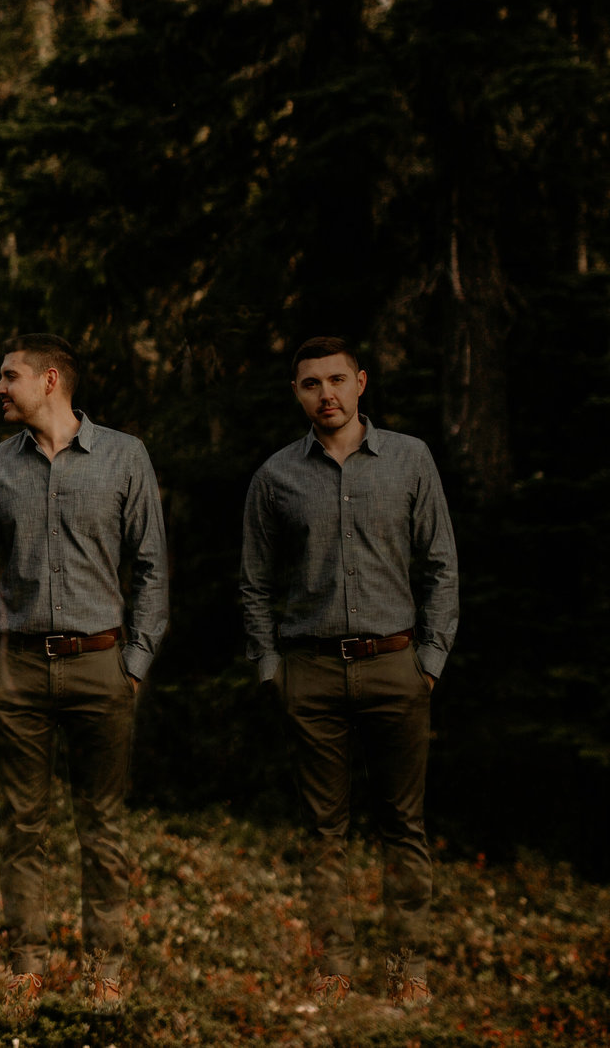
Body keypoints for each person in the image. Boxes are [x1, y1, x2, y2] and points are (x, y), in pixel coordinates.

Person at [240, 335, 459, 1008]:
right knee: (324, 829)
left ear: (361, 382)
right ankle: (332, 964)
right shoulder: (276, 476)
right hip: (311, 673)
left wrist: (429, 659)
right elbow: (253, 581)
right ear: (298, 393)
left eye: (337, 379)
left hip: (396, 666)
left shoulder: (410, 459)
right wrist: (271, 666)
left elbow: (440, 565)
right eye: (311, 383)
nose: (325, 394)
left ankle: (409, 968)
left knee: (404, 825)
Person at [0, 334, 168, 1005]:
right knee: (24, 821)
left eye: (8, 375)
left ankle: (103, 964)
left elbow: (153, 567)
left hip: (100, 665)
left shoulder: (125, 457)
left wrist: (134, 660)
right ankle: (27, 959)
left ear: (49, 381)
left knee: (101, 821)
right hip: (16, 669)